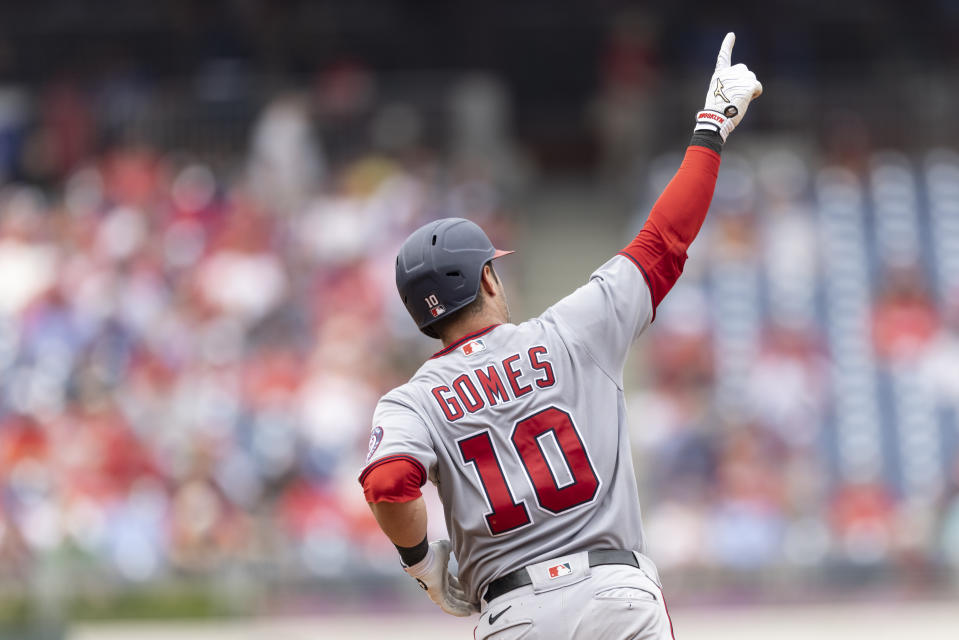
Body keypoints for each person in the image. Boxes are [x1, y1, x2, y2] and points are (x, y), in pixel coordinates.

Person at [359, 33, 762, 639]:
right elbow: (665, 239)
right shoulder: (574, 331)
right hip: (615, 594)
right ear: (489, 277)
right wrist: (711, 126)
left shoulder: (411, 401)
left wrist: (422, 564)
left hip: (516, 613)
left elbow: (389, 484)